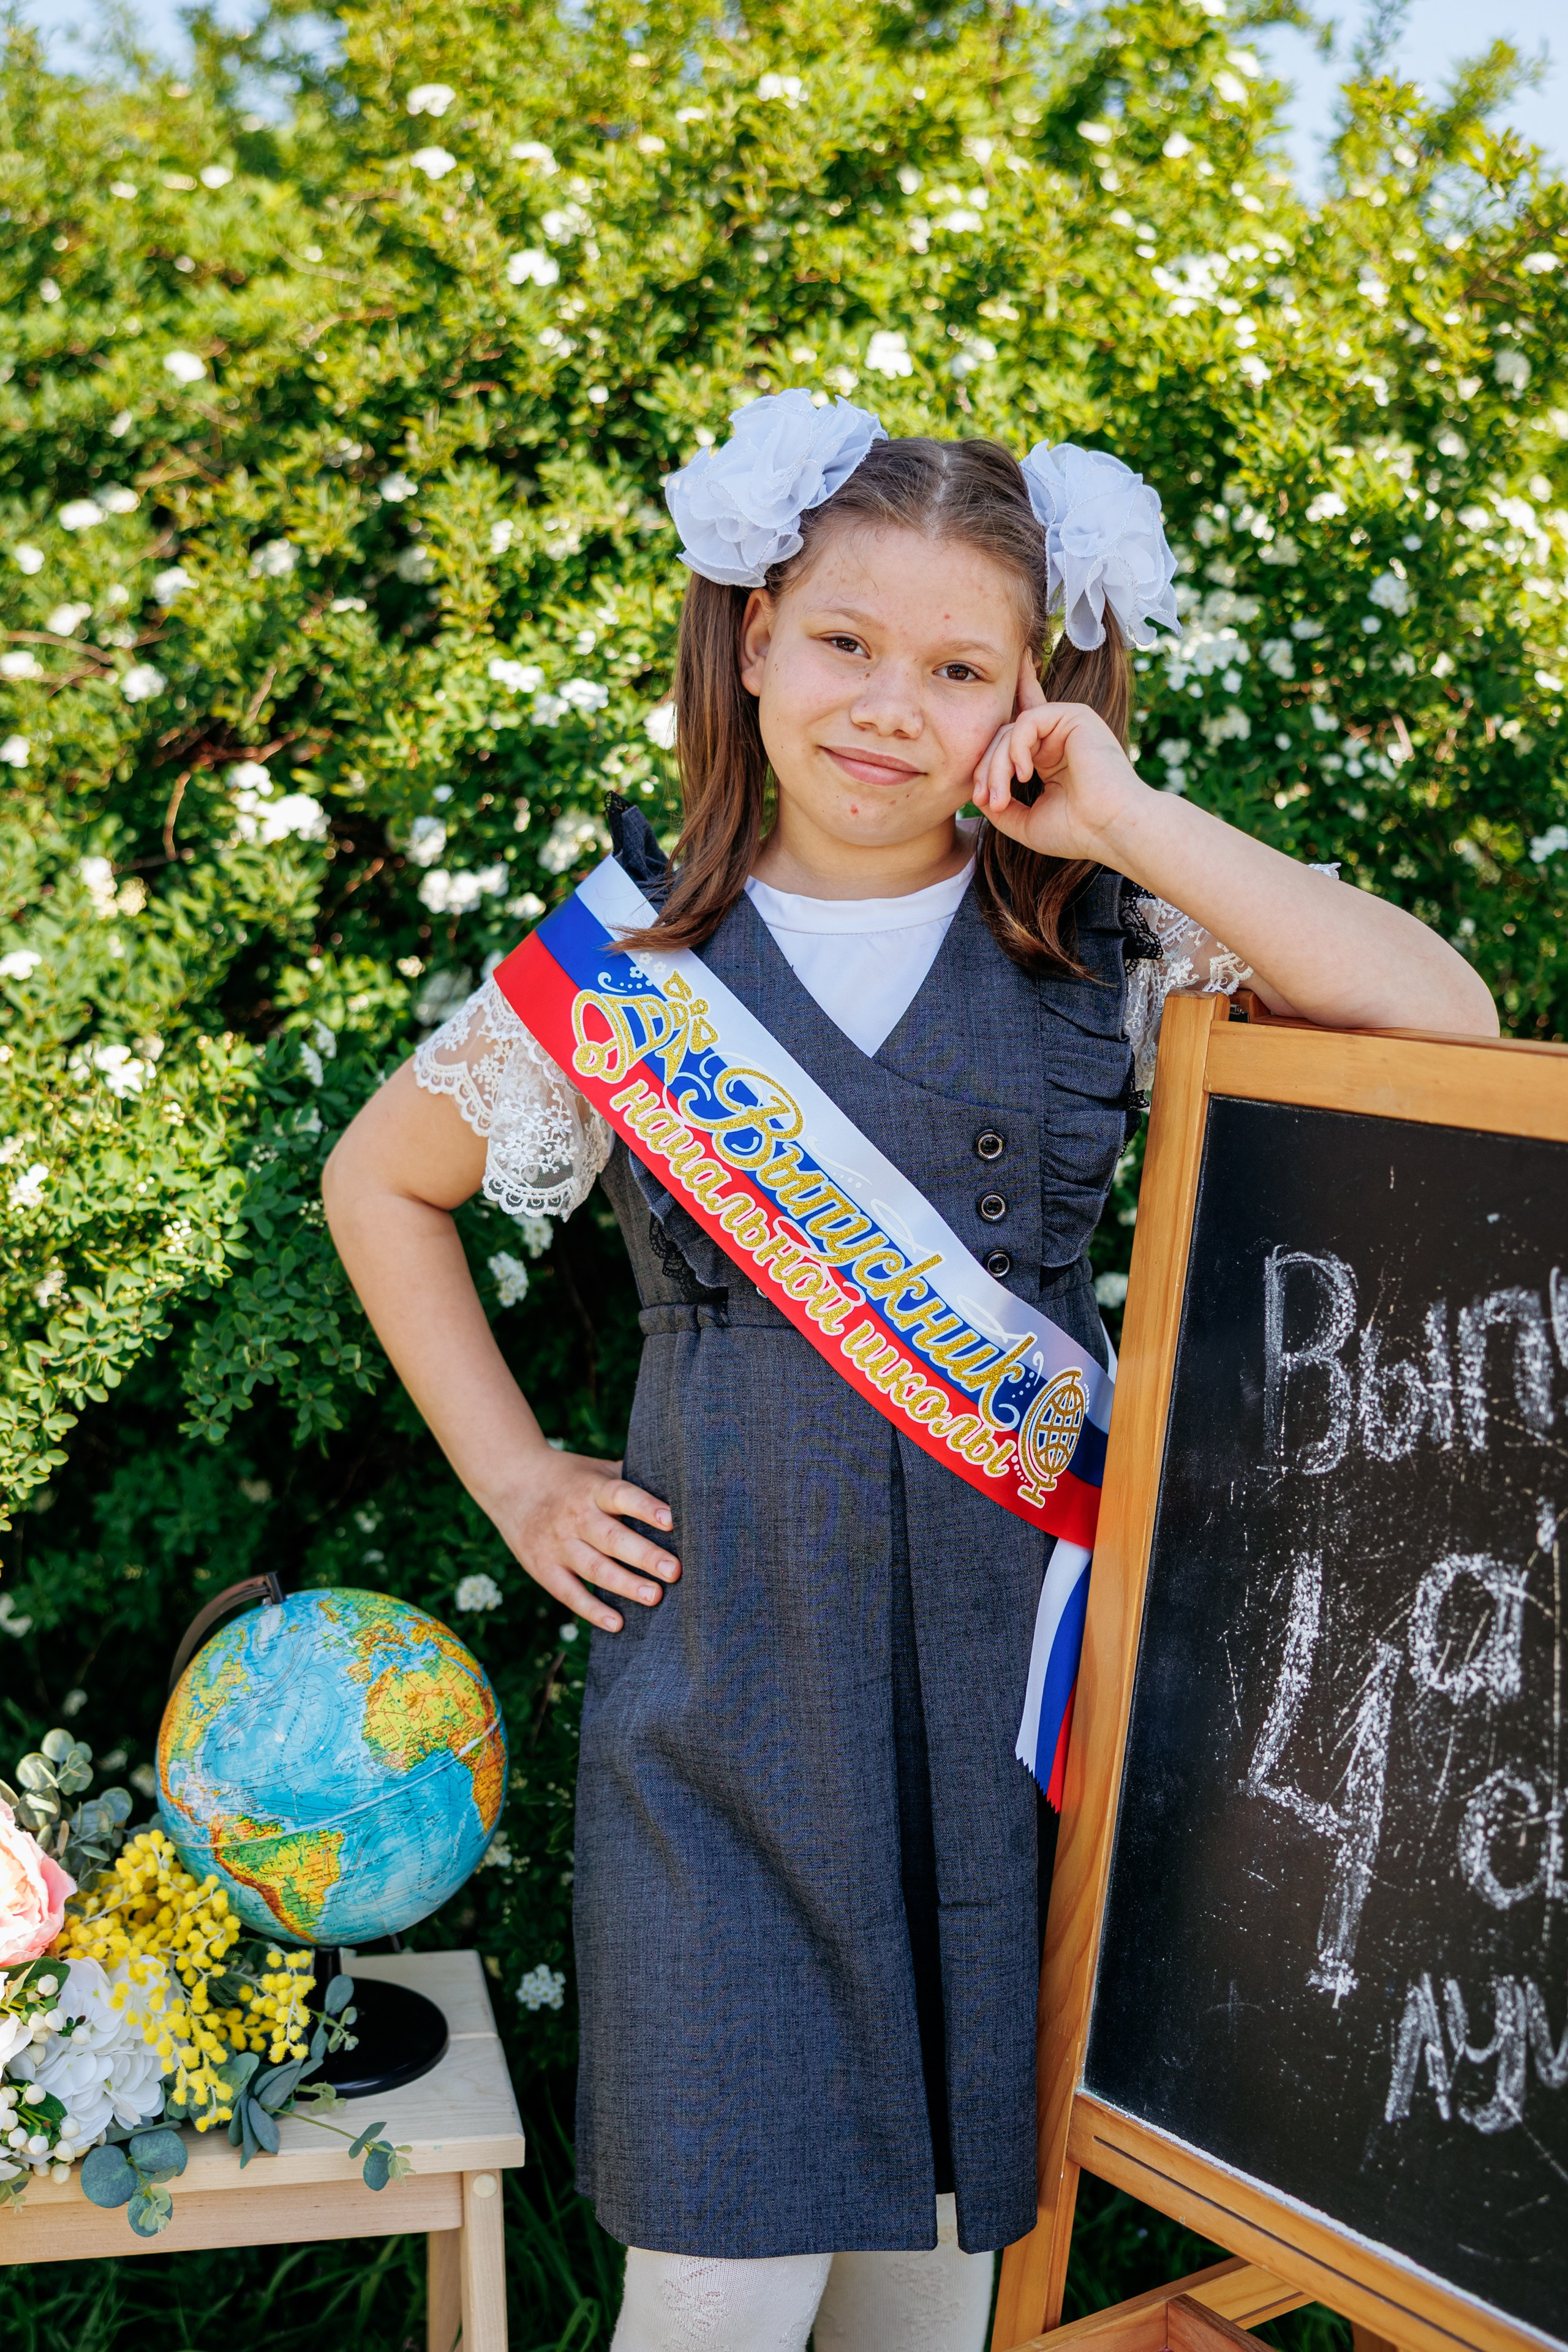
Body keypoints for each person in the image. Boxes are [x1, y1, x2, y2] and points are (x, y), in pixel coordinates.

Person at [322, 394, 1496, 2352]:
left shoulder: (1099, 941)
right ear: (752, 637)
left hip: (1010, 1721)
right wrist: (519, 1476)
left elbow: (1445, 1021)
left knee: (929, 2295)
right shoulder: (632, 963)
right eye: (847, 641)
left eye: (960, 669)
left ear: (1033, 696)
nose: (889, 704)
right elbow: (382, 1181)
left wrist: (1121, 814)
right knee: (715, 2285)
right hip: (721, 1723)